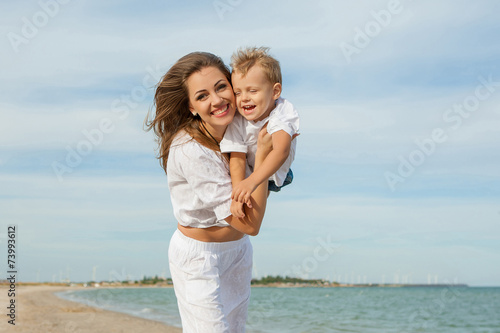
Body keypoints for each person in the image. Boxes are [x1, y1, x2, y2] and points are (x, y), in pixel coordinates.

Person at [145, 52, 273, 333]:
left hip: (237, 252)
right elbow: (249, 223)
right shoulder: (190, 150)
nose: (216, 100)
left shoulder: (241, 129)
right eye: (202, 96)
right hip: (197, 257)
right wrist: (263, 158)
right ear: (191, 107)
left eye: (220, 87)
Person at [219, 47, 300, 218]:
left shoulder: (282, 111)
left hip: (276, 173)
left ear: (275, 92)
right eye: (238, 92)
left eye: (253, 91)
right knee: (244, 203)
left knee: (257, 200)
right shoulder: (237, 119)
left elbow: (281, 151)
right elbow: (237, 158)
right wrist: (238, 193)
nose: (244, 98)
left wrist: (252, 182)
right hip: (249, 168)